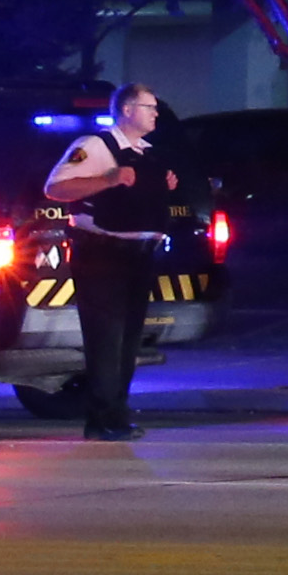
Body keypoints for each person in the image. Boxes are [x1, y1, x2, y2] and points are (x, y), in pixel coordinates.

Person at [43, 85, 178, 442]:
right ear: (129, 109)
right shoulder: (95, 147)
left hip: (140, 256)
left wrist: (161, 184)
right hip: (102, 255)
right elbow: (56, 188)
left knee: (128, 342)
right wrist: (108, 179)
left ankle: (117, 413)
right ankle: (102, 419)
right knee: (106, 340)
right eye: (150, 107)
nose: (156, 114)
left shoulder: (147, 154)